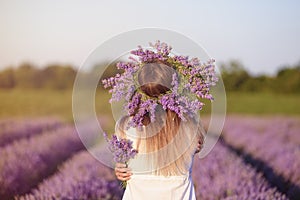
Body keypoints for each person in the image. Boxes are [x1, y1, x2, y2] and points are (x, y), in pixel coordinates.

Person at [113, 62, 206, 200]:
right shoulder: (191, 127)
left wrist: (120, 166)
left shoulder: (126, 126)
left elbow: (125, 160)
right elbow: (196, 145)